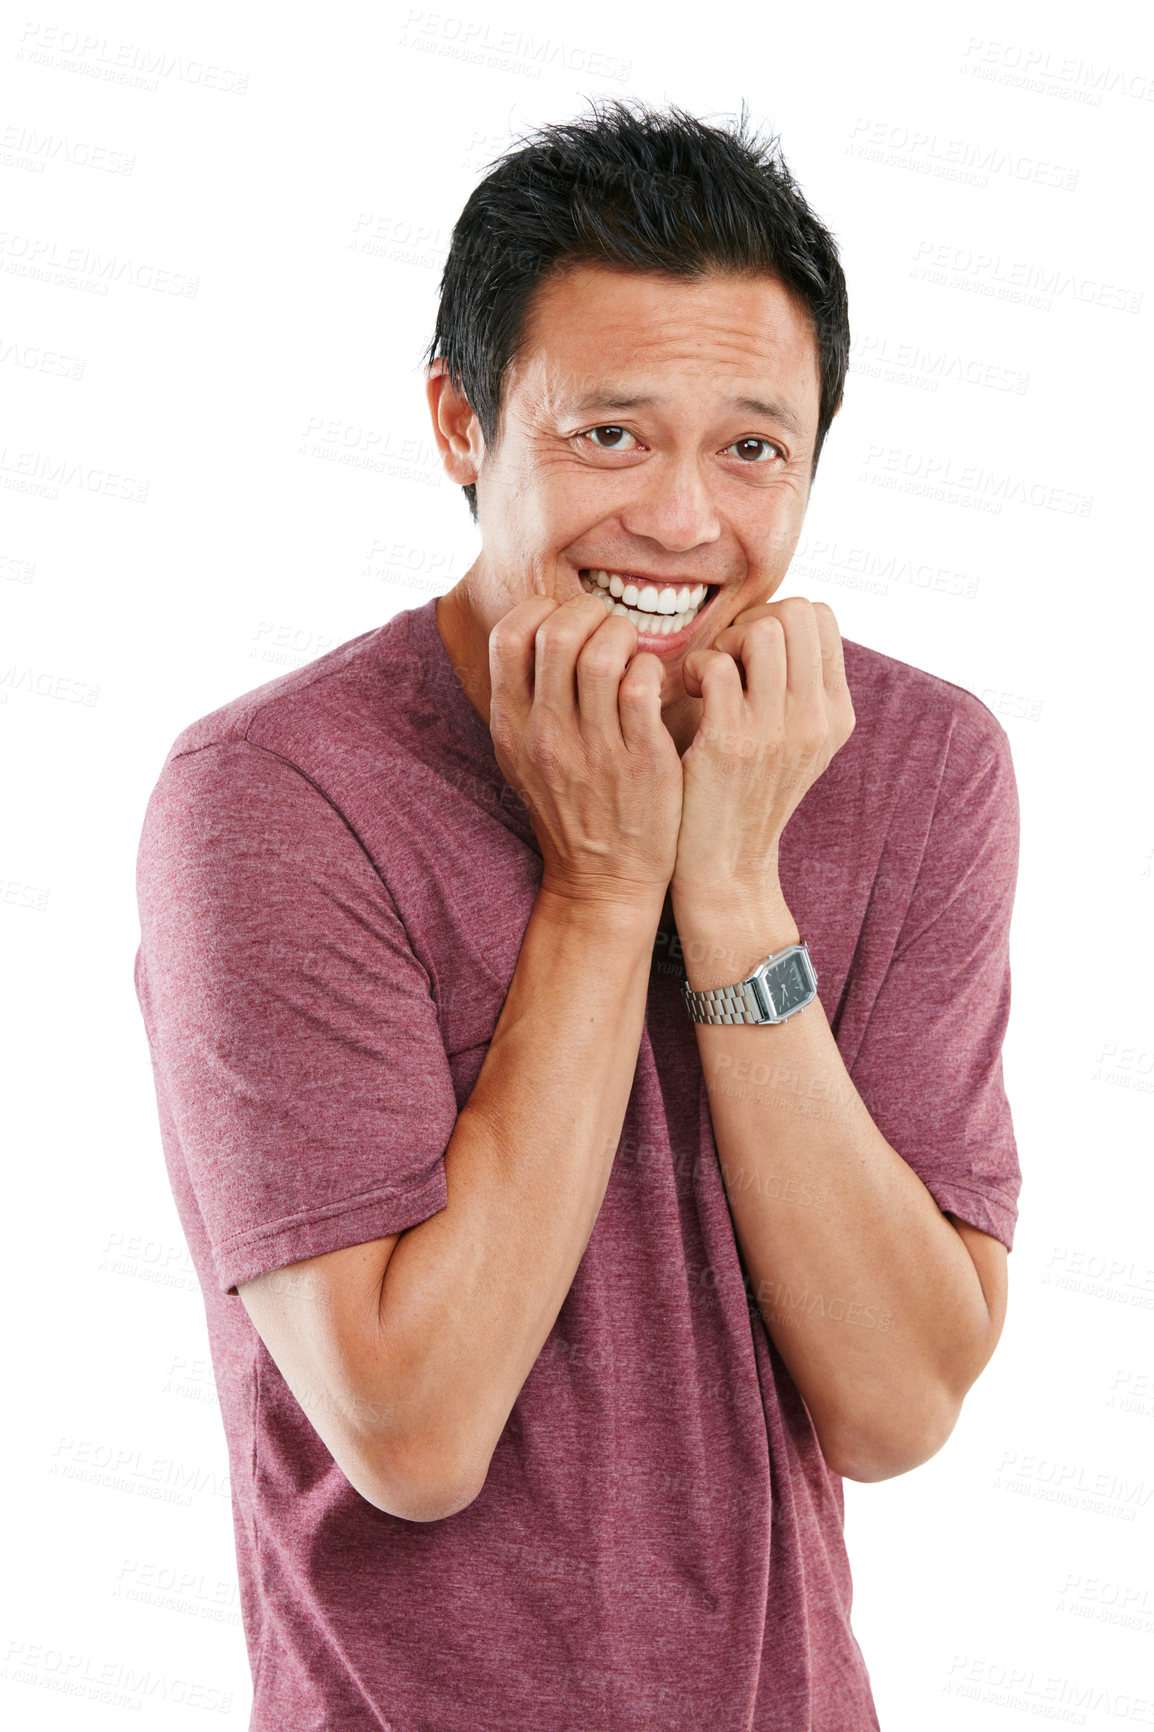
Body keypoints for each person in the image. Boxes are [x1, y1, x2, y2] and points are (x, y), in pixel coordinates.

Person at [133, 98, 1021, 1731]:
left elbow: (898, 1405)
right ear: (460, 424)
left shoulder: (914, 765)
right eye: (607, 434)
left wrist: (733, 886)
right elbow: (409, 1431)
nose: (683, 523)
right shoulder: (273, 794)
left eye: (750, 446)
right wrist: (607, 889)